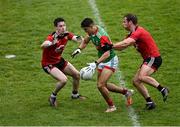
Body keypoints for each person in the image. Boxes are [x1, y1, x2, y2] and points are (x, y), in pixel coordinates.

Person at [72, 18, 133, 113]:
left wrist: (95, 63)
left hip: (110, 60)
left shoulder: (102, 36)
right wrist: (79, 49)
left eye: (86, 29)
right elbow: (85, 41)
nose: (85, 32)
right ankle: (126, 92)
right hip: (102, 60)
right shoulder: (91, 32)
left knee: (100, 85)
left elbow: (107, 53)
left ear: (91, 27)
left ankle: (112, 106)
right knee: (102, 85)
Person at [113, 13, 169, 110]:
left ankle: (163, 89)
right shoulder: (131, 35)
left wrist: (111, 46)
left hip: (153, 57)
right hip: (148, 59)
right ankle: (150, 102)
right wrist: (109, 47)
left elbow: (127, 42)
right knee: (136, 81)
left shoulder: (139, 31)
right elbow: (122, 47)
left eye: (124, 22)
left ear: (130, 22)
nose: (122, 24)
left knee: (142, 77)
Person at [41, 17, 86, 107]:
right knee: (63, 80)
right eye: (60, 26)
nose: (63, 28)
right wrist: (50, 43)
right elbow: (43, 45)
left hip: (58, 60)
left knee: (77, 75)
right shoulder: (51, 38)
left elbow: (76, 39)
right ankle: (52, 97)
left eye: (64, 25)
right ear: (56, 28)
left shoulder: (66, 34)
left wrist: (83, 38)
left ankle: (75, 95)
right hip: (48, 64)